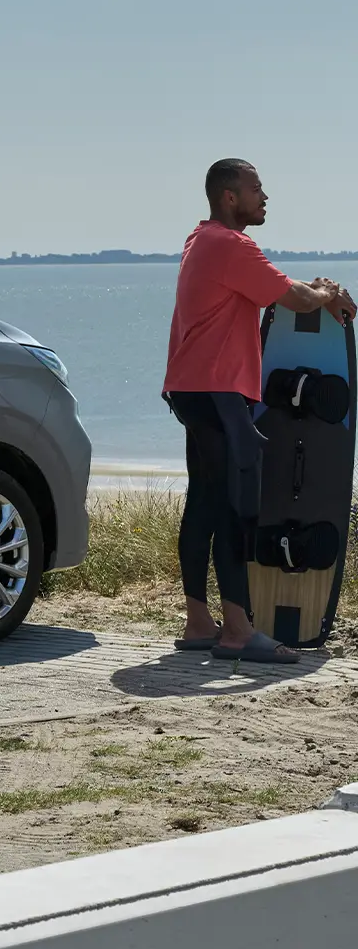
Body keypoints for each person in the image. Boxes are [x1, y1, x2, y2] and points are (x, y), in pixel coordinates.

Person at [164, 160, 355, 664]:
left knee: (204, 502)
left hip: (190, 389)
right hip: (220, 392)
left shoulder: (200, 240)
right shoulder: (232, 244)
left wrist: (311, 293)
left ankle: (198, 622)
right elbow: (293, 297)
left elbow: (272, 287)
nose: (264, 196)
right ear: (230, 197)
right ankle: (237, 631)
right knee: (237, 508)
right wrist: (327, 293)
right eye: (256, 188)